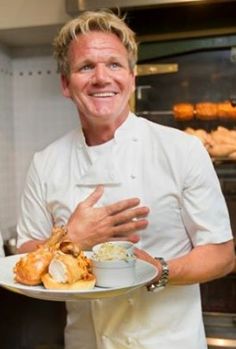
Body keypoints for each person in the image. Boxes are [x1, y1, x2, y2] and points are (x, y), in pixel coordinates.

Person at [16, 9, 235, 349]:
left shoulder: (182, 150)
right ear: (65, 83)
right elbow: (24, 255)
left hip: (168, 341)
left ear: (132, 78)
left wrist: (158, 270)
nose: (101, 77)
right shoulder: (45, 163)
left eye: (114, 65)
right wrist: (70, 238)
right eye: (86, 66)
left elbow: (223, 255)